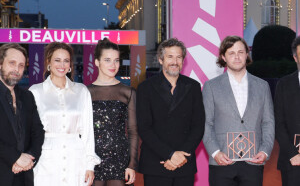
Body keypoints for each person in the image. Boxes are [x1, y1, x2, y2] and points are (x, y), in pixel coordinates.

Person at [202, 35, 274, 186]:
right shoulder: (211, 87)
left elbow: (268, 122)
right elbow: (206, 123)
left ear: (247, 55)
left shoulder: (262, 86)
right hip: (221, 162)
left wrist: (265, 151)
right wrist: (215, 152)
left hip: (253, 162)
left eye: (240, 52)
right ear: (223, 57)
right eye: (231, 53)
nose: (237, 57)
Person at [136, 38, 205, 186]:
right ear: (161, 60)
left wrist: (180, 156)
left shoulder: (193, 87)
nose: (175, 61)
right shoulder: (145, 88)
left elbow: (198, 126)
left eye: (179, 57)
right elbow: (144, 128)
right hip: (156, 163)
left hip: (184, 163)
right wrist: (170, 154)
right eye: (170, 57)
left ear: (183, 60)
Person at [29, 42, 100, 186]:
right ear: (48, 63)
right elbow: (29, 130)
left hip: (76, 160)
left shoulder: (81, 91)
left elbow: (87, 132)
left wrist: (89, 165)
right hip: (45, 160)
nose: (62, 65)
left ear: (70, 65)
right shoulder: (35, 91)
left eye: (66, 60)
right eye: (57, 60)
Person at [87, 38, 138, 186]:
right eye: (108, 60)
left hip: (120, 160)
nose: (113, 65)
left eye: (116, 60)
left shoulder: (127, 92)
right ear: (97, 62)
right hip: (92, 160)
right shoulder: (85, 92)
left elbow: (133, 131)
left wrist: (131, 164)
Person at [0, 43, 44, 186]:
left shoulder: (27, 96)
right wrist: (15, 158)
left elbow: (38, 132)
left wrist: (30, 158)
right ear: (0, 64)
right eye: (12, 63)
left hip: (24, 176)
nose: (16, 69)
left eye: (21, 65)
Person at [275, 36, 300, 186]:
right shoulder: (284, 84)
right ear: (295, 58)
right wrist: (293, 154)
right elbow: (278, 123)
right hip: (292, 161)